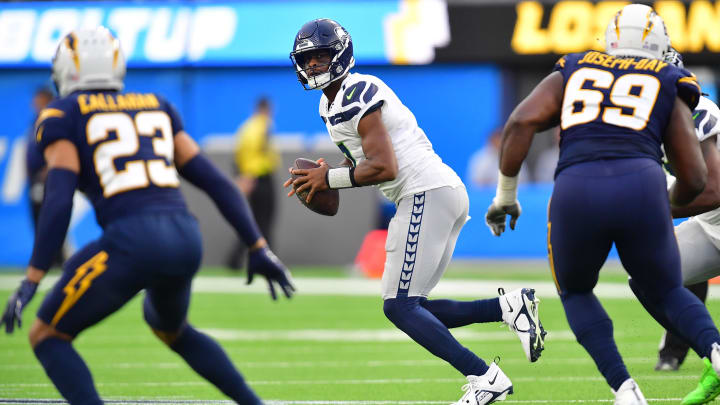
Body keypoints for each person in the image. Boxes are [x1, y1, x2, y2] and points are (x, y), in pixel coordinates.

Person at [0, 27, 295, 405]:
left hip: (132, 241)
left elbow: (57, 199)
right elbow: (217, 182)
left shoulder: (61, 113)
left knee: (46, 335)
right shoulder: (155, 104)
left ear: (67, 70)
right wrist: (257, 245)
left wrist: (32, 277)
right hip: (185, 236)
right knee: (171, 329)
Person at [285, 18, 545, 405]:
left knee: (399, 307)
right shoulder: (333, 103)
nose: (313, 66)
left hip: (424, 192)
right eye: (307, 60)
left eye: (320, 57)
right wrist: (332, 177)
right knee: (414, 307)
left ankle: (485, 377)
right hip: (435, 192)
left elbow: (384, 167)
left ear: (340, 55)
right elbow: (374, 166)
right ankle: (508, 307)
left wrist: (331, 179)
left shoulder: (356, 92)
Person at [485, 4, 720, 405]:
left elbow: (521, 122)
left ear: (610, 41)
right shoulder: (668, 78)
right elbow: (696, 178)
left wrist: (506, 195)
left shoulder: (575, 67)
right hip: (643, 185)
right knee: (663, 286)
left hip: (577, 186)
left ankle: (625, 390)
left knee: (576, 291)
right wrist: (660, 209)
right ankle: (714, 352)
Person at [228, 97, 279, 269]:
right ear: (266, 109)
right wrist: (251, 174)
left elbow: (238, 154)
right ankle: (267, 259)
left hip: (249, 177)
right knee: (265, 221)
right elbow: (263, 151)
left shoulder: (246, 127)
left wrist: (242, 176)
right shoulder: (264, 126)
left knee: (255, 221)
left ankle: (235, 260)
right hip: (262, 178)